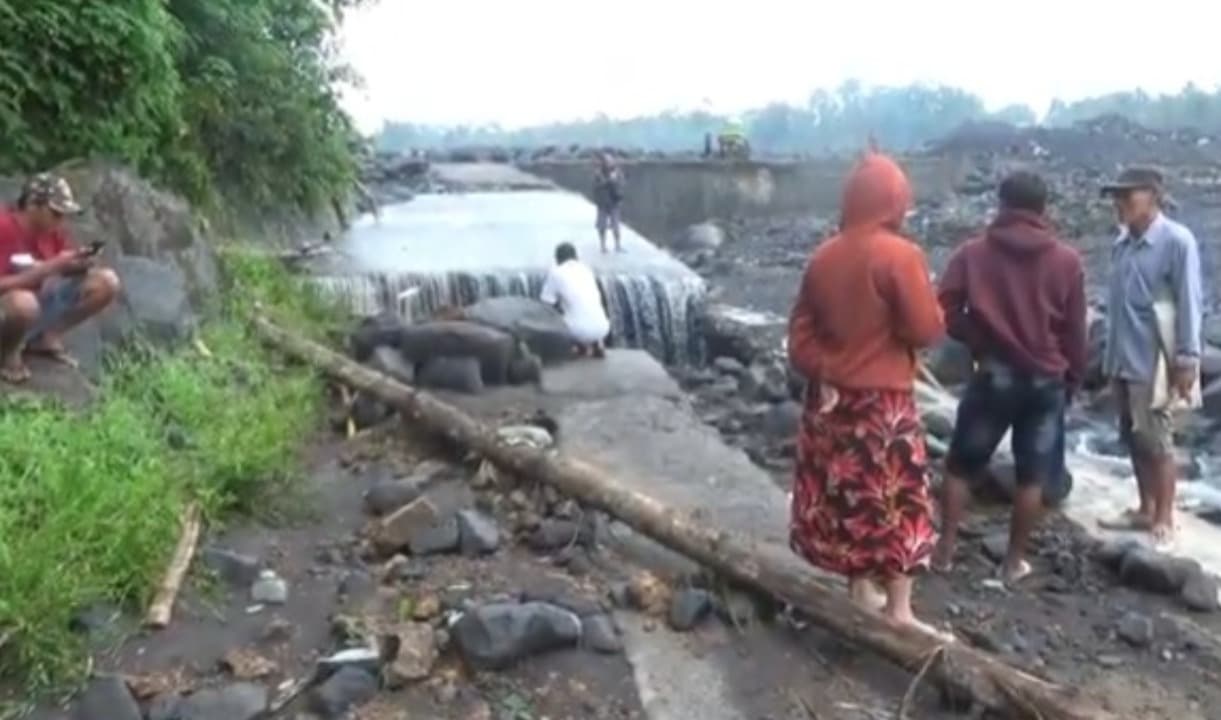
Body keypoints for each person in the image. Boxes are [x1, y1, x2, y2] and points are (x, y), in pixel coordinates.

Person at [787, 152, 948, 637]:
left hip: (831, 402)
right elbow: (926, 329)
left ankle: (859, 591)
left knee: (851, 498)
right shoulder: (900, 255)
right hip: (884, 406)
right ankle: (898, 610)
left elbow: (798, 339)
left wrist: (831, 368)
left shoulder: (824, 255)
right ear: (894, 199)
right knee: (897, 501)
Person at [931, 171, 1087, 583]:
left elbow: (944, 307)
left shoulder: (973, 253)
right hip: (1045, 379)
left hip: (994, 372)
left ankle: (944, 549)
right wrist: (1073, 378)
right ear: (1043, 210)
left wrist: (976, 338)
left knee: (961, 465)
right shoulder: (1067, 261)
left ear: (1001, 205)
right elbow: (1074, 329)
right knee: (1032, 475)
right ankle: (1013, 562)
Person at [1097, 167, 1202, 548]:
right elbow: (1116, 308)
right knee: (1133, 438)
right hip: (1123, 357)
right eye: (1116, 197)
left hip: (1155, 359)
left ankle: (1164, 517)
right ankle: (1144, 507)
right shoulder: (1122, 243)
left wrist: (1188, 359)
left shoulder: (1176, 241)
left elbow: (1190, 302)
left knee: (1158, 441)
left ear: (1153, 196)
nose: (1119, 204)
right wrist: (1109, 364)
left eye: (1128, 196)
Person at [0, 173, 121, 382]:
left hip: (40, 304)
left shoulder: (52, 231)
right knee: (24, 303)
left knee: (106, 282)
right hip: (10, 309)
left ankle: (47, 338)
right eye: (55, 213)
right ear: (32, 205)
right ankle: (6, 354)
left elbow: (60, 268)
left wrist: (77, 265)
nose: (61, 220)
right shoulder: (4, 228)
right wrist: (50, 267)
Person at [540, 242, 610, 358]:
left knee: (552, 314)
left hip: (577, 331)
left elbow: (546, 304)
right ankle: (596, 344)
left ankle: (576, 347)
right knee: (582, 308)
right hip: (603, 328)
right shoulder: (587, 270)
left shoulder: (556, 273)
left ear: (557, 259)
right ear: (576, 257)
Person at [591, 153, 624, 253]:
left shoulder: (617, 172)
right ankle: (603, 246)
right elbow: (595, 186)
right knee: (602, 225)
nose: (609, 163)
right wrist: (608, 181)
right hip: (602, 202)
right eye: (607, 161)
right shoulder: (598, 173)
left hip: (614, 202)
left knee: (616, 225)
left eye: (610, 160)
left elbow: (621, 184)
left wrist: (616, 182)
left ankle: (617, 245)